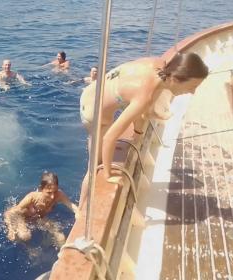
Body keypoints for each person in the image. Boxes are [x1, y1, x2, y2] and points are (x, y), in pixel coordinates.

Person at [79, 52, 208, 187]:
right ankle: (87, 192)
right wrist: (108, 174)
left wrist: (138, 133)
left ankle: (150, 114)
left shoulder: (159, 65)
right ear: (175, 79)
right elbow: (110, 138)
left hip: (94, 89)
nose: (193, 92)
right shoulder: (145, 97)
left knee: (145, 104)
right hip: (92, 111)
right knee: (95, 163)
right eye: (192, 86)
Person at [3, 172, 79, 246]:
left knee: (61, 237)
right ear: (41, 189)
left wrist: (78, 213)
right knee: (25, 236)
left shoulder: (59, 195)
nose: (52, 196)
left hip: (39, 218)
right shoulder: (32, 197)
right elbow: (10, 212)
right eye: (49, 192)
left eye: (55, 191)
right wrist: (11, 229)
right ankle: (28, 248)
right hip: (22, 217)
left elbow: (71, 205)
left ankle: (62, 255)